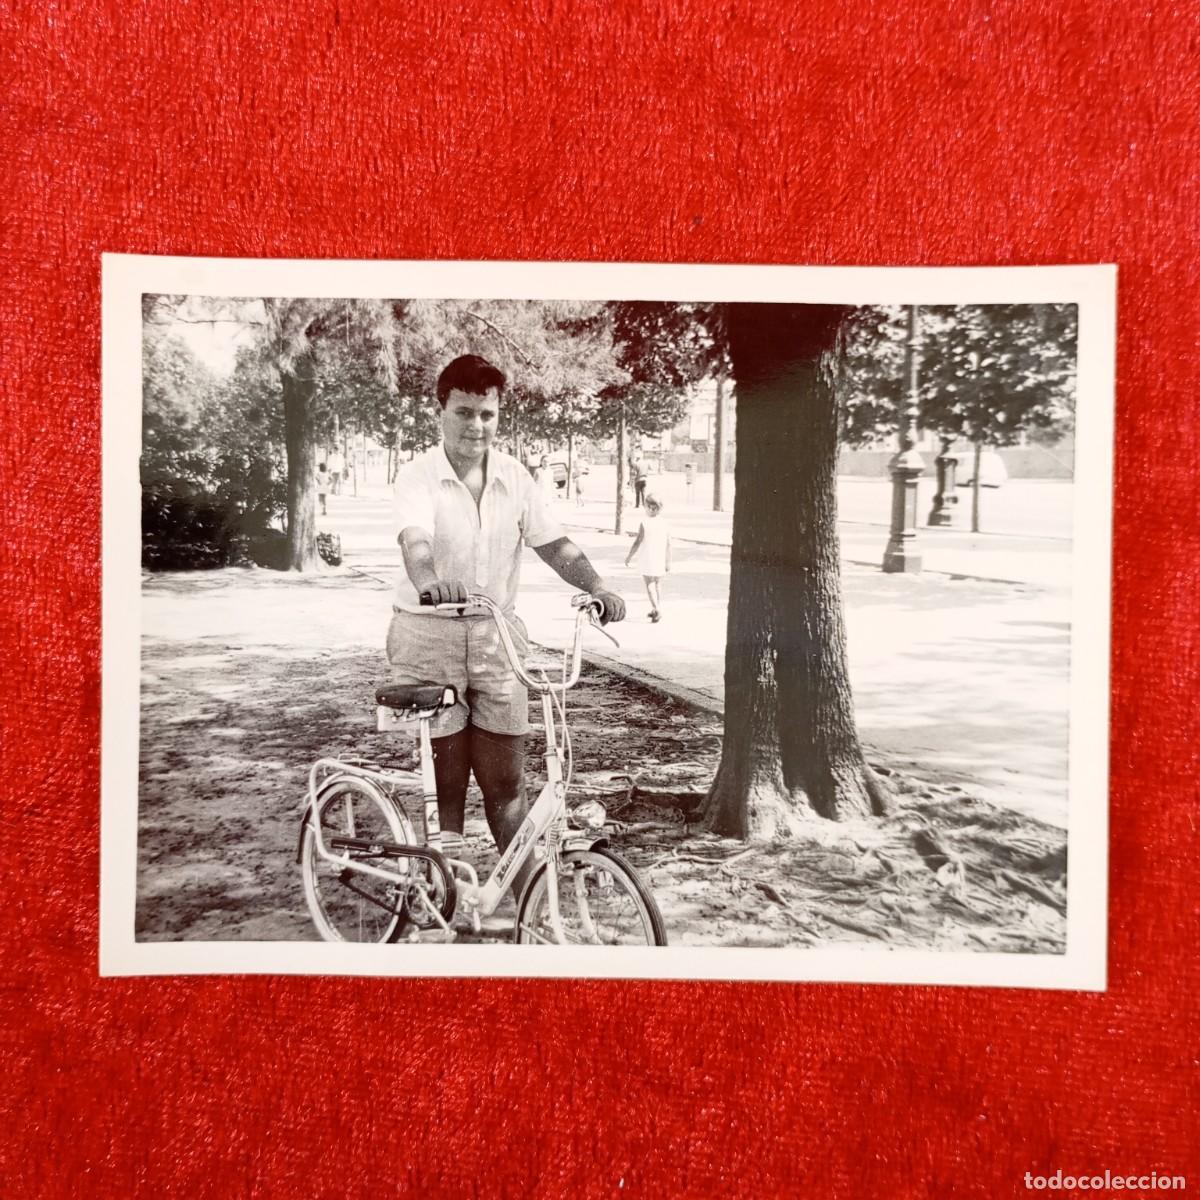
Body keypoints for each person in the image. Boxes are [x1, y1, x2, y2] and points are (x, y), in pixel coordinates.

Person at [389, 354, 625, 891]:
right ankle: (442, 895)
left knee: (506, 781)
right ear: (441, 410)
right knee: (444, 783)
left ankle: (525, 905)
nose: (476, 426)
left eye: (487, 415)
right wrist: (429, 581)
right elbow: (414, 540)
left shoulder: (516, 478)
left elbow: (554, 546)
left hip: (499, 639)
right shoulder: (417, 475)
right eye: (465, 412)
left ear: (499, 415)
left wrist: (597, 586)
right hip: (430, 637)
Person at [624, 494, 671, 622]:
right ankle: (656, 607)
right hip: (659, 556)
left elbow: (637, 542)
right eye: (649, 507)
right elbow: (668, 543)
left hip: (648, 557)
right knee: (657, 583)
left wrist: (629, 556)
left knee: (649, 583)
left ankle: (657, 609)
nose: (650, 509)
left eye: (651, 507)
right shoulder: (664, 522)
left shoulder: (645, 522)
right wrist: (668, 561)